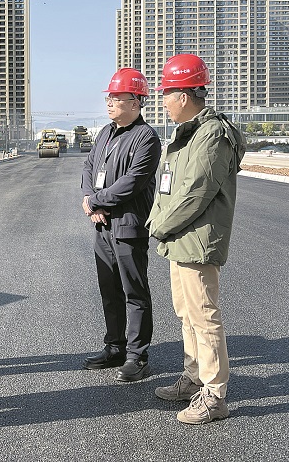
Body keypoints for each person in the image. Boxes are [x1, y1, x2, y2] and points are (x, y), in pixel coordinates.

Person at [145, 53, 245, 424]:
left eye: (166, 95)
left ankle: (215, 395)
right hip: (180, 238)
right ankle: (193, 378)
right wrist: (160, 222)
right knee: (186, 314)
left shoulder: (212, 135)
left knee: (204, 316)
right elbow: (170, 187)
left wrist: (159, 226)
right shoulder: (188, 133)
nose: (163, 102)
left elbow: (195, 191)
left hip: (197, 240)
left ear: (184, 96)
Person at [81, 68, 162, 382]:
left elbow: (132, 182)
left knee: (134, 292)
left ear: (136, 102)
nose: (110, 102)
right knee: (109, 291)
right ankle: (114, 347)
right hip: (103, 226)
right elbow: (89, 166)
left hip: (129, 226)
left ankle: (137, 356)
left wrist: (96, 201)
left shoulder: (146, 138)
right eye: (109, 97)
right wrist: (89, 198)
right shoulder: (105, 132)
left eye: (117, 98)